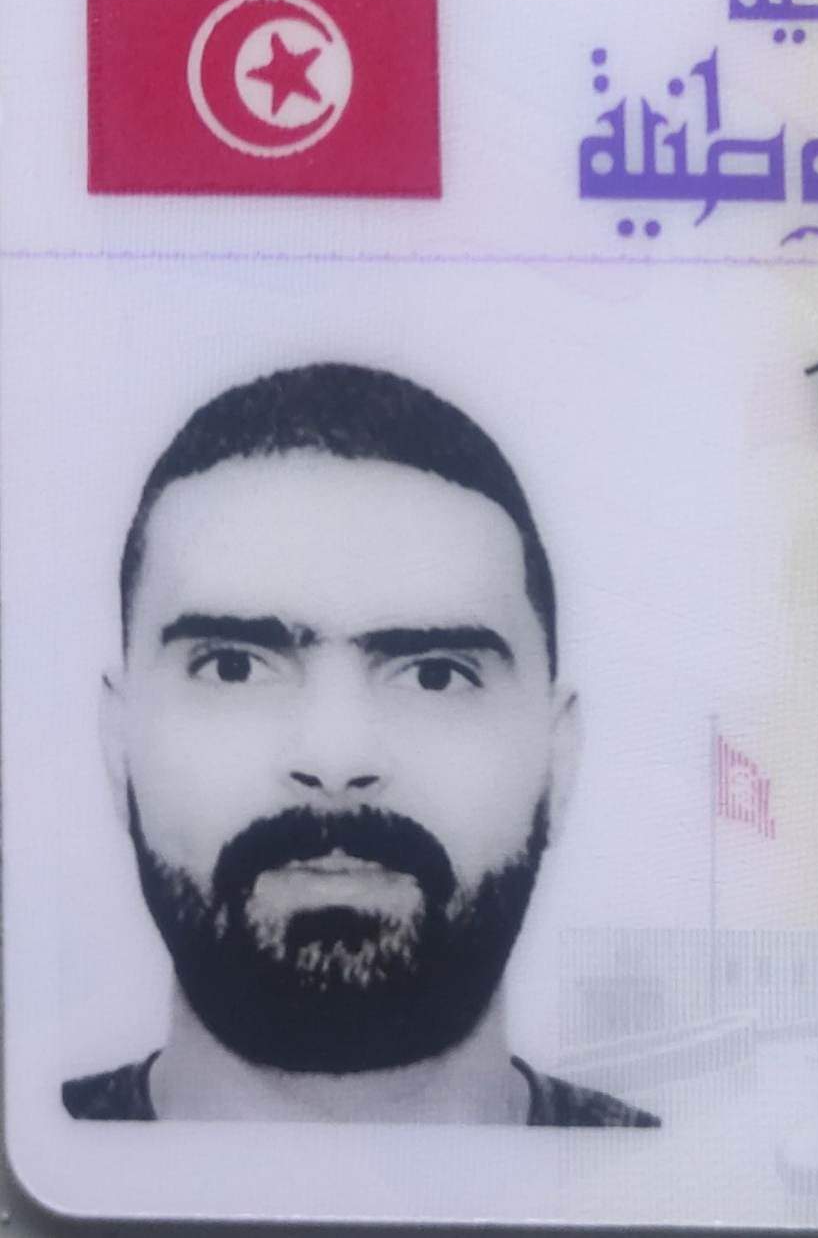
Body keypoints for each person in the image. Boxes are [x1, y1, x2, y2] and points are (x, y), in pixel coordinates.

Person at [63, 362, 658, 1127]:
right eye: (234, 667)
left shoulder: (677, 1179)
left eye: (436, 675)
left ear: (558, 760)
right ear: (118, 747)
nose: (336, 759)